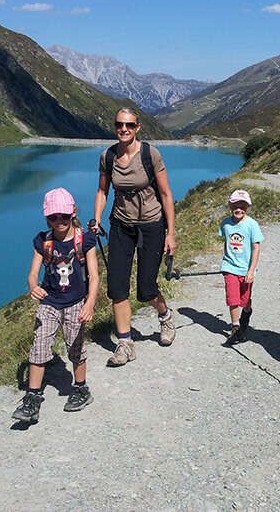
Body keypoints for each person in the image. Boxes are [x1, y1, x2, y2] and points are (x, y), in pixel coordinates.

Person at [91, 108, 176, 367]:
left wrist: (170, 233)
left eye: (129, 125)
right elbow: (102, 191)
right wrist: (96, 218)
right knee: (117, 285)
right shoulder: (108, 157)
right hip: (121, 225)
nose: (123, 129)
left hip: (151, 225)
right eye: (119, 124)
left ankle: (165, 315)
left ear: (138, 127)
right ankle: (125, 343)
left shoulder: (150, 154)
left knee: (146, 288)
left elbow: (165, 194)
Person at [12, 188, 99, 423]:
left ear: (73, 212)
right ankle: (32, 398)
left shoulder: (85, 240)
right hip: (49, 302)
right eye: (53, 217)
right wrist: (33, 287)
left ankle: (81, 389)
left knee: (75, 348)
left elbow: (94, 275)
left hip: (76, 302)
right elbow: (32, 274)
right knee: (40, 346)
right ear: (46, 217)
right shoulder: (43, 241)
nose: (59, 221)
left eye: (63, 216)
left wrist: (90, 303)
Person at [219, 189, 264, 345]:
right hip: (229, 268)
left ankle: (247, 313)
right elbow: (226, 242)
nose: (238, 209)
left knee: (245, 301)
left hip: (246, 270)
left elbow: (256, 247)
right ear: (230, 206)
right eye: (235, 205)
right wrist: (226, 262)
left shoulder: (252, 225)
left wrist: (251, 271)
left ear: (248, 207)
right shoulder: (225, 223)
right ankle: (235, 328)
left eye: (242, 206)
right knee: (233, 299)